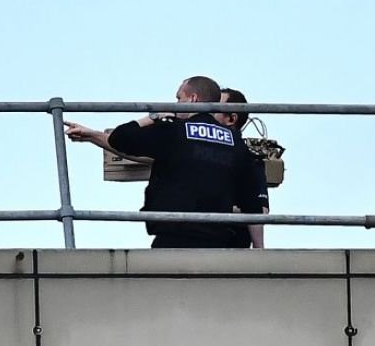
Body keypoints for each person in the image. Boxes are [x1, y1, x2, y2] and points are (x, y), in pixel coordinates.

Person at [65, 81, 268, 248]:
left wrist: (154, 116)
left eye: (179, 98)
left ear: (193, 99)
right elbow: (253, 205)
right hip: (219, 246)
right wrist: (261, 252)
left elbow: (121, 138)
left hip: (174, 240)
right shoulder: (237, 145)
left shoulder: (174, 131)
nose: (176, 104)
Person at [219, 87, 269, 249]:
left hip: (233, 247)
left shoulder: (248, 160)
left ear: (231, 119)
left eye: (215, 106)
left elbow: (260, 211)